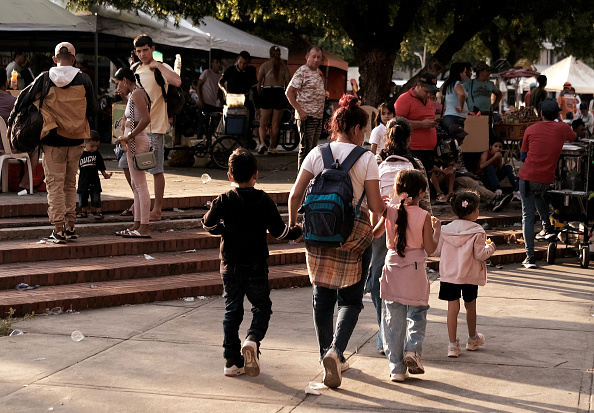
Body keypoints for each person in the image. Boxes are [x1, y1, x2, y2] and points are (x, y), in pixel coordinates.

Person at [288, 95, 384, 388]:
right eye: (364, 130)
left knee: (322, 295)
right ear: (356, 128)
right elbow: (377, 208)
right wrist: (376, 229)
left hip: (317, 233)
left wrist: (295, 227)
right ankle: (336, 351)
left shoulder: (316, 154)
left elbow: (294, 197)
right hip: (351, 236)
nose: (365, 136)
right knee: (351, 299)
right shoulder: (366, 158)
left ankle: (323, 353)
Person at [202, 148, 302, 378]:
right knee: (262, 308)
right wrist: (296, 231)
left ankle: (231, 361)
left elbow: (208, 225)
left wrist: (223, 230)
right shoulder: (263, 199)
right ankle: (252, 339)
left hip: (230, 265)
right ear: (256, 175)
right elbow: (279, 232)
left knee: (232, 311)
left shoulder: (224, 200)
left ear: (229, 176)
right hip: (256, 265)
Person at [8, 42, 97, 241]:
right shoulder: (84, 79)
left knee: (55, 185)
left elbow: (23, 98)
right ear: (73, 59)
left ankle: (58, 229)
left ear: (55, 59)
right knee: (69, 184)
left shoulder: (45, 78)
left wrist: (12, 123)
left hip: (52, 141)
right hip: (76, 141)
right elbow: (93, 109)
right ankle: (71, 226)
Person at [367, 117, 432, 356]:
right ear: (408, 139)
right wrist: (429, 226)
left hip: (381, 225)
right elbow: (425, 200)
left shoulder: (374, 162)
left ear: (386, 138)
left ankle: (385, 335)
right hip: (413, 227)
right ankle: (406, 342)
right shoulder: (415, 164)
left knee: (380, 281)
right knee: (411, 284)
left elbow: (368, 197)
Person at [372, 169, 440, 382]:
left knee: (393, 318)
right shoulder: (424, 216)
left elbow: (374, 234)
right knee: (417, 312)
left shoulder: (390, 211)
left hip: (392, 267)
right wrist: (436, 230)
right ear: (421, 192)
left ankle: (396, 369)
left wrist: (381, 209)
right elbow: (430, 248)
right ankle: (412, 350)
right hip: (415, 269)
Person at [436, 190, 496, 357]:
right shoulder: (477, 231)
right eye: (477, 209)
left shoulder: (446, 229)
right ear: (472, 211)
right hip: (469, 275)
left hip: (449, 275)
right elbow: (479, 255)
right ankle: (472, 339)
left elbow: (436, 250)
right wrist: (491, 247)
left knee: (452, 308)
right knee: (470, 306)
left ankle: (453, 345)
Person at [518, 99, 577, 268]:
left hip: (528, 177)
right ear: (558, 113)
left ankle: (530, 257)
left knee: (527, 216)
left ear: (540, 113)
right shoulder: (563, 128)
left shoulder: (530, 129)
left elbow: (523, 157)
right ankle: (547, 226)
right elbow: (575, 138)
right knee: (537, 196)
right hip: (546, 179)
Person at [132, 34, 182, 222]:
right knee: (134, 168)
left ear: (152, 48)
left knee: (155, 169)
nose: (142, 54)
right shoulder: (135, 69)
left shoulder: (161, 67)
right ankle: (138, 203)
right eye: (139, 51)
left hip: (155, 127)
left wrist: (159, 65)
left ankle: (157, 209)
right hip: (136, 127)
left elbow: (177, 81)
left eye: (145, 50)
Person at [113, 67, 152, 238]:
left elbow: (146, 119)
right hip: (134, 141)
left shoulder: (137, 94)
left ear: (126, 80)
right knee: (136, 186)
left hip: (137, 141)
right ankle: (137, 223)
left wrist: (130, 136)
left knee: (140, 186)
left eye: (118, 83)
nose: (118, 86)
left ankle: (144, 227)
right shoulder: (134, 94)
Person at [286, 46, 326, 170]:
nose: (316, 59)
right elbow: (289, 92)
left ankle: (310, 179)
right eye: (313, 56)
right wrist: (299, 110)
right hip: (306, 116)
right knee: (306, 149)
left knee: (314, 150)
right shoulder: (302, 71)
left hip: (318, 116)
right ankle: (301, 180)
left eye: (318, 57)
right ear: (307, 57)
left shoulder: (318, 72)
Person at [394, 73, 439, 173]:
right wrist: (421, 124)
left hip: (428, 150)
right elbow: (397, 121)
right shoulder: (405, 98)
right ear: (418, 85)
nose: (428, 95)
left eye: (431, 92)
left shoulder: (427, 100)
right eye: (426, 91)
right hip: (413, 149)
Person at [257, 46, 291, 155]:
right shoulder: (284, 67)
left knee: (263, 122)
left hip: (267, 92)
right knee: (275, 124)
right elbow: (288, 83)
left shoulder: (265, 65)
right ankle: (271, 147)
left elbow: (259, 82)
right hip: (279, 93)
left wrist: (259, 95)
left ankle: (262, 143)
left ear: (270, 54)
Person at [218, 51, 258, 139]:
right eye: (240, 62)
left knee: (250, 116)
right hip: (232, 100)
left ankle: (247, 136)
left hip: (245, 99)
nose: (242, 65)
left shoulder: (250, 71)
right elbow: (220, 82)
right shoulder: (230, 70)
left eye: (245, 63)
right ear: (237, 60)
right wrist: (225, 91)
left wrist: (257, 104)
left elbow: (255, 88)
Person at [77, 131, 112, 219]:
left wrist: (105, 174)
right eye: (92, 146)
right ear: (85, 143)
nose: (94, 148)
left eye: (96, 146)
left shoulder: (97, 154)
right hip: (83, 179)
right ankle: (83, 211)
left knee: (96, 196)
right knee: (83, 195)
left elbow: (101, 165)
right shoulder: (80, 154)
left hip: (94, 179)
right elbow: (75, 164)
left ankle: (98, 212)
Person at [197, 58, 223, 141]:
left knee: (210, 126)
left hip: (213, 104)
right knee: (202, 124)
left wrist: (222, 102)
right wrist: (200, 100)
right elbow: (198, 85)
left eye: (219, 62)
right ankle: (199, 144)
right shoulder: (207, 72)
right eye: (216, 62)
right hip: (204, 103)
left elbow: (219, 91)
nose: (218, 64)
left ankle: (208, 144)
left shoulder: (219, 76)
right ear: (212, 63)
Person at [440, 62, 469, 130]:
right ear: (459, 73)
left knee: (450, 139)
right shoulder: (457, 83)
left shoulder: (449, 84)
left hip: (449, 116)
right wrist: (461, 107)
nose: (465, 75)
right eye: (464, 72)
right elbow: (461, 94)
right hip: (456, 117)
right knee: (458, 139)